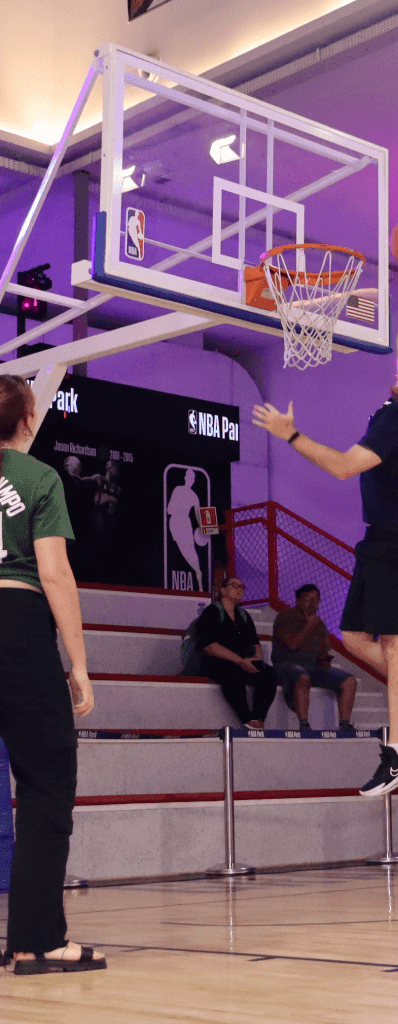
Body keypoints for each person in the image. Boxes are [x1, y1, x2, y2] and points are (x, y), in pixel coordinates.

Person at [253, 259, 398, 796]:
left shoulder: (397, 419)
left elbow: (345, 466)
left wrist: (291, 435)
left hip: (394, 542)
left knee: (394, 641)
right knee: (351, 637)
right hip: (383, 540)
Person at [0, 374, 106, 975]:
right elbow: (56, 575)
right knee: (45, 786)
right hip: (15, 623)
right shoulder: (39, 478)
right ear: (26, 420)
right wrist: (80, 666)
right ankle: (36, 941)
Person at [272, 584, 357, 731]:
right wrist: (308, 626)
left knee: (349, 681)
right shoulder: (285, 617)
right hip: (288, 662)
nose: (312, 603)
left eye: (315, 599)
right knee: (302, 676)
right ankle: (304, 724)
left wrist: (324, 659)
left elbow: (322, 651)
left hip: (314, 666)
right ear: (298, 600)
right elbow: (292, 645)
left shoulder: (320, 624)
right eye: (307, 599)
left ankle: (345, 724)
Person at [197, 577, 277, 729]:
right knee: (233, 674)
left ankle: (258, 718)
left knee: (269, 674)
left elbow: (255, 644)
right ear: (223, 590)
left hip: (242, 660)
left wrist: (255, 659)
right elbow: (209, 646)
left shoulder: (244, 615)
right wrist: (240, 661)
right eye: (234, 585)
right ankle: (246, 719)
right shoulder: (212, 611)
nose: (239, 589)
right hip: (215, 660)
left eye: (242, 586)